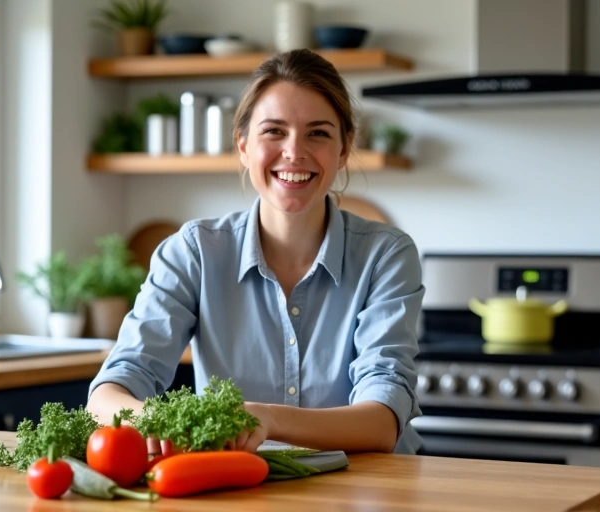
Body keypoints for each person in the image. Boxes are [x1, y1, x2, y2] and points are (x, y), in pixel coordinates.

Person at [87, 48, 424, 455]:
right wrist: (157, 422)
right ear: (243, 145)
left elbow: (381, 422)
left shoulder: (386, 256)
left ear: (343, 148)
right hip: (242, 486)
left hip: (367, 491)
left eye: (317, 132)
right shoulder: (193, 253)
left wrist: (268, 418)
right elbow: (110, 392)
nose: (294, 152)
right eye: (274, 131)